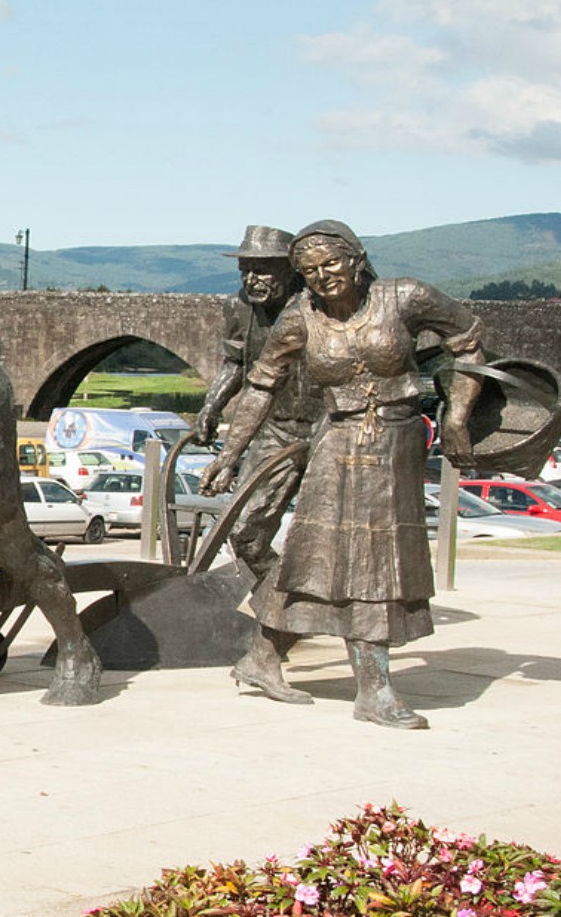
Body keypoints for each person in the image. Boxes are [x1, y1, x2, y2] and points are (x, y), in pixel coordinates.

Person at [201, 220, 483, 730]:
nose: (322, 277)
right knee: (317, 557)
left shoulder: (404, 297)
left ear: (356, 258)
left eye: (330, 264)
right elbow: (261, 384)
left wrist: (457, 414)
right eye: (309, 271)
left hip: (395, 441)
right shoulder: (299, 317)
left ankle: (267, 658)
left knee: (376, 560)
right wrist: (229, 452)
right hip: (337, 439)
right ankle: (371, 689)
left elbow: (467, 338)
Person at [192, 227, 320, 678]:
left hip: (326, 428)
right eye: (246, 269)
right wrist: (211, 406)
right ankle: (282, 607)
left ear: (291, 271)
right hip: (271, 427)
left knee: (323, 536)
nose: (252, 279)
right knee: (245, 531)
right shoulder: (238, 308)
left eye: (263, 269)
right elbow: (233, 363)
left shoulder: (318, 308)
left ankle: (294, 614)